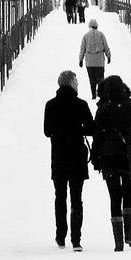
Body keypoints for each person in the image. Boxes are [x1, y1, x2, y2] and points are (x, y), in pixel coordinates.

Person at [90, 73, 131, 251]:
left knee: (114, 196)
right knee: (128, 192)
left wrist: (94, 158)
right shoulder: (130, 106)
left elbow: (97, 137)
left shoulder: (102, 109)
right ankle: (130, 235)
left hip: (109, 156)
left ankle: (118, 242)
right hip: (129, 155)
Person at [42, 68, 93, 250]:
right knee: (76, 198)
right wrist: (76, 129)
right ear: (71, 83)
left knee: (60, 196)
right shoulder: (81, 105)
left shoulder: (50, 105)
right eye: (77, 82)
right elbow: (91, 128)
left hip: (58, 156)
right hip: (77, 156)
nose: (78, 85)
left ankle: (60, 235)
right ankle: (76, 239)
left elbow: (47, 131)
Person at [77, 14, 112, 96]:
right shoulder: (101, 35)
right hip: (99, 61)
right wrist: (109, 56)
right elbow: (106, 46)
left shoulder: (86, 36)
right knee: (100, 78)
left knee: (91, 78)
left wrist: (81, 60)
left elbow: (82, 49)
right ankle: (100, 93)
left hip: (89, 62)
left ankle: (93, 94)